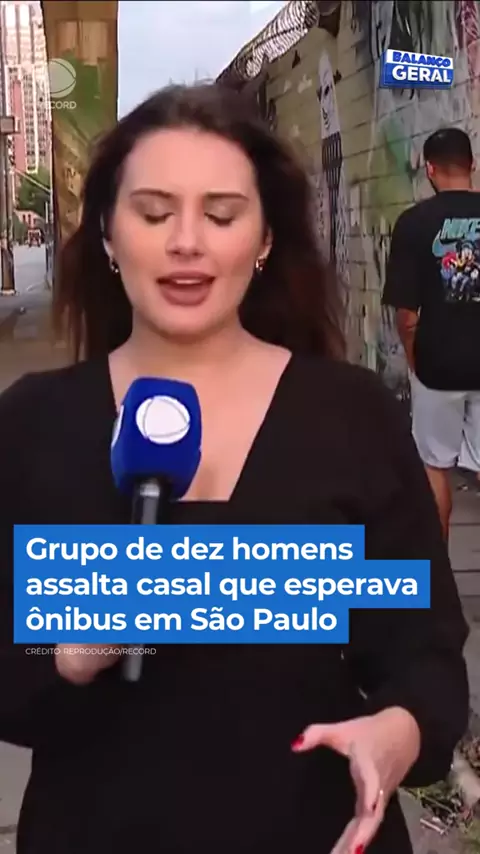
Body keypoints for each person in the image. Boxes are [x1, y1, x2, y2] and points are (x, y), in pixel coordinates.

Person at [0, 84, 469, 854]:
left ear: (264, 238)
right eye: (154, 214)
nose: (187, 242)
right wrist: (72, 653)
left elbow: (425, 652)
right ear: (109, 234)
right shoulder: (32, 424)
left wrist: (398, 732)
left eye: (221, 215)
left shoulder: (351, 416)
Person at [382, 127, 480, 538]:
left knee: (434, 466)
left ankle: (438, 564)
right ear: (472, 165)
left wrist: (415, 361)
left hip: (437, 362)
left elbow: (407, 315)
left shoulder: (413, 223)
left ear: (429, 169)